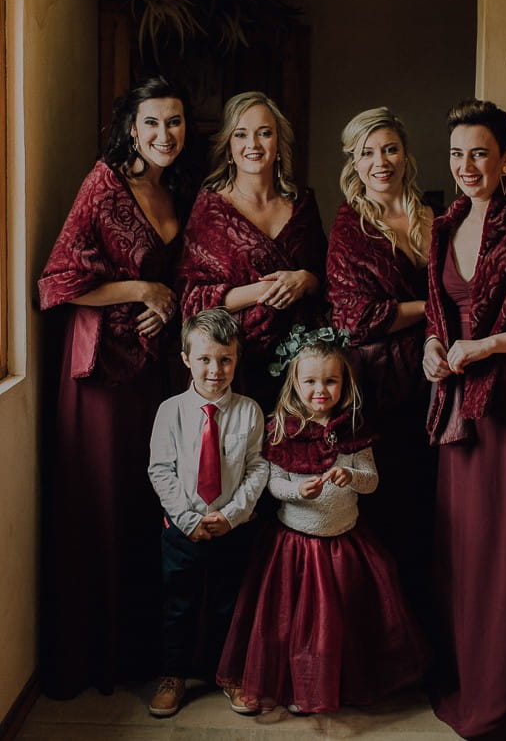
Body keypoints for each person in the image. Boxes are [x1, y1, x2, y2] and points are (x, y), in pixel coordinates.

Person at [38, 75, 194, 698]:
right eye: (153, 122)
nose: (164, 134)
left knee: (146, 502)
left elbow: (181, 275)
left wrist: (169, 299)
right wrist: (140, 290)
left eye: (175, 122)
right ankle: (92, 656)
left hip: (153, 371)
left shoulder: (176, 186)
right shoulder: (103, 184)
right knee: (101, 502)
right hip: (100, 374)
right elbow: (55, 283)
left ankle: (141, 654)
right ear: (131, 126)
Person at [216, 329, 428, 715]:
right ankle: (292, 686)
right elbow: (275, 483)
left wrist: (353, 478)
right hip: (293, 549)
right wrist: (300, 493)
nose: (320, 390)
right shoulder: (282, 428)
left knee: (334, 626)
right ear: (294, 383)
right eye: (310, 381)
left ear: (344, 384)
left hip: (343, 546)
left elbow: (373, 481)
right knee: (289, 626)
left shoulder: (353, 430)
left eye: (330, 381)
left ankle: (323, 687)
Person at [422, 99, 506, 741]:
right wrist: (433, 349)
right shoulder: (442, 225)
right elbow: (441, 311)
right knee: (462, 550)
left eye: (479, 153)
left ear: (505, 156)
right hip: (456, 414)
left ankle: (505, 696)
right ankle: (469, 680)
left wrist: (490, 346)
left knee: (505, 550)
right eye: (456, 154)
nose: (466, 166)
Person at [326, 106, 435, 619]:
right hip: (379, 385)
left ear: (405, 154)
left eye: (389, 148)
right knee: (385, 507)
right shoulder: (350, 228)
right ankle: (382, 630)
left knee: (430, 505)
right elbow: (355, 319)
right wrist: (431, 309)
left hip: (435, 378)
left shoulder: (436, 218)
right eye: (367, 152)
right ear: (354, 162)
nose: (380, 161)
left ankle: (423, 632)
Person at [148, 308, 268, 718]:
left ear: (236, 359)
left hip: (233, 529)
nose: (215, 369)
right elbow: (160, 470)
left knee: (228, 605)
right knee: (178, 606)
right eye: (204, 359)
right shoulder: (170, 411)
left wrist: (232, 515)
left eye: (225, 359)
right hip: (182, 532)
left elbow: (257, 467)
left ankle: (229, 675)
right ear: (186, 359)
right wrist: (188, 520)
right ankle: (172, 675)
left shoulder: (250, 412)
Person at [178, 91, 327, 412]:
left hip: (301, 365)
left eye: (264, 133)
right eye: (241, 134)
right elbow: (192, 300)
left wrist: (303, 280)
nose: (253, 144)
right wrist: (261, 291)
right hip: (236, 363)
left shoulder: (303, 205)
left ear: (278, 144)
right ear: (229, 147)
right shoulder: (210, 208)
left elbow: (327, 281)